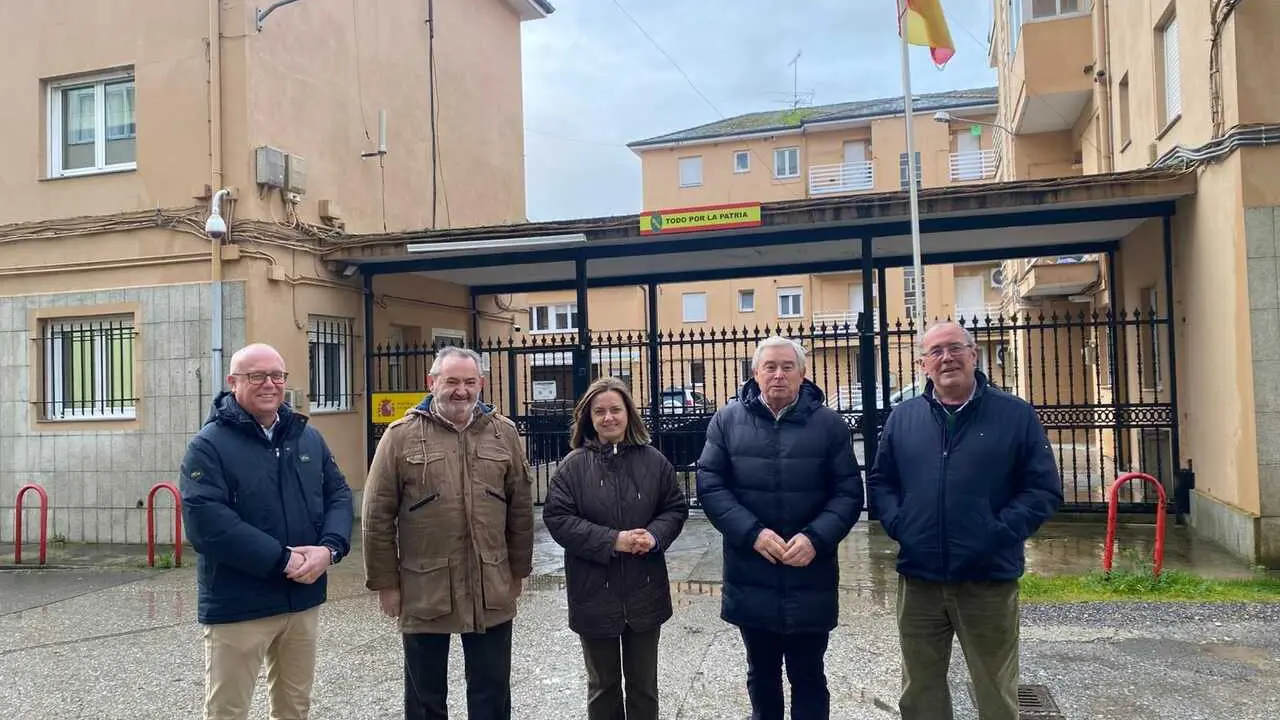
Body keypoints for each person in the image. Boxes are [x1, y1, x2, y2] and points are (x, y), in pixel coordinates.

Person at [866, 321, 1063, 720]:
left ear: (974, 355)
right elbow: (882, 481)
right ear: (923, 365)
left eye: (955, 348)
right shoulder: (904, 418)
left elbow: (1042, 490)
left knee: (995, 688)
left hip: (987, 578)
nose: (947, 358)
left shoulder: (1015, 415)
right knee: (920, 688)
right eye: (935, 352)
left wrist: (996, 532)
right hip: (920, 579)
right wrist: (901, 524)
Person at [180, 343, 354, 720]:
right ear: (233, 382)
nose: (270, 384)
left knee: (294, 708)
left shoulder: (307, 437)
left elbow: (339, 494)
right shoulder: (209, 445)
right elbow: (207, 522)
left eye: (277, 376)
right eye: (257, 376)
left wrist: (330, 549)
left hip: (301, 599)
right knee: (228, 711)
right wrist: (281, 559)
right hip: (239, 604)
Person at [362, 346, 535, 720]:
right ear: (432, 383)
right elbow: (377, 516)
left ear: (481, 384)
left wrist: (518, 572)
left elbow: (520, 511)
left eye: (470, 382)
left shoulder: (503, 433)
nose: (461, 390)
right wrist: (386, 584)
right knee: (425, 698)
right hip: (425, 585)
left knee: (492, 692)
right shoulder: (400, 436)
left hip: (489, 581)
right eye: (452, 381)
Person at [696, 336, 863, 720]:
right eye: (769, 367)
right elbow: (711, 484)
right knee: (761, 673)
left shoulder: (829, 425)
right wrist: (752, 533)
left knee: (809, 674)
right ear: (755, 373)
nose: (778, 374)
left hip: (810, 573)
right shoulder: (727, 421)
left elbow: (848, 492)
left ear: (802, 374)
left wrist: (815, 538)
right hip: (752, 571)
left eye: (788, 367)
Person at [543, 377, 690, 720]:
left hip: (645, 591)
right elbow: (558, 518)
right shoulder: (572, 466)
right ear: (589, 417)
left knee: (644, 686)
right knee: (603, 687)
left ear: (628, 414)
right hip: (593, 593)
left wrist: (654, 536)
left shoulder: (654, 461)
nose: (608, 417)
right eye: (600, 411)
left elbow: (674, 508)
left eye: (615, 410)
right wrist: (613, 541)